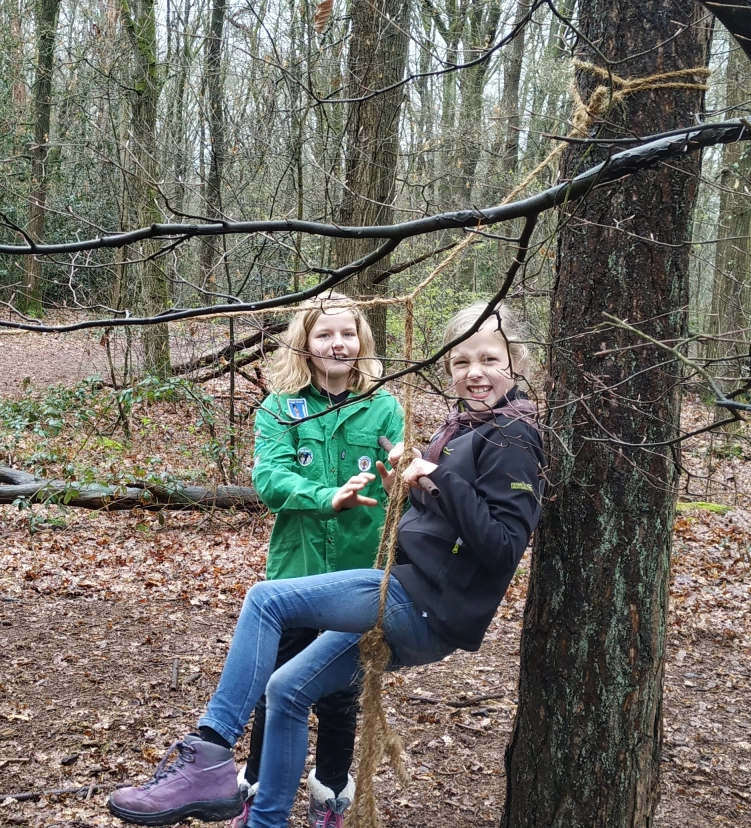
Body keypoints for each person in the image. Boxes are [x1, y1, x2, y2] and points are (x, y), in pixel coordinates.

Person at [108, 301, 546, 828]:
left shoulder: (513, 433)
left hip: (422, 600)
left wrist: (434, 478)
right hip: (393, 583)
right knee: (285, 689)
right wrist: (413, 485)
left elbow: (501, 545)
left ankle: (210, 751)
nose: (475, 373)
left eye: (489, 359)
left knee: (265, 604)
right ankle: (263, 820)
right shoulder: (471, 424)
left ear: (516, 359)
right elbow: (444, 515)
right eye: (460, 362)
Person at [241, 293, 404, 828]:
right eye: (325, 334)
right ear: (305, 344)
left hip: (360, 578)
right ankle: (258, 793)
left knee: (339, 695)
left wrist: (404, 471)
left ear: (363, 341)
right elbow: (269, 479)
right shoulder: (280, 406)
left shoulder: (383, 405)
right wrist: (326, 497)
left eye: (348, 333)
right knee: (275, 686)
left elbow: (402, 474)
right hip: (296, 575)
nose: (338, 343)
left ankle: (331, 798)